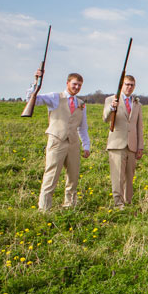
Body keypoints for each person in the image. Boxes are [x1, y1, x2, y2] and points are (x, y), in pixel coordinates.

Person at [27, 70, 90, 211]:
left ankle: (70, 206)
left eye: (79, 85)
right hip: (57, 141)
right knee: (51, 175)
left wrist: (86, 145)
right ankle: (44, 209)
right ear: (67, 83)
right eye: (74, 84)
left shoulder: (81, 104)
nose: (77, 87)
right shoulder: (55, 97)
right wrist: (35, 82)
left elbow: (83, 127)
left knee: (73, 176)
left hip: (73, 143)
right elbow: (33, 99)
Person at [102, 75, 144, 210]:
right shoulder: (111, 99)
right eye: (127, 84)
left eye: (132, 85)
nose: (129, 87)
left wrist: (140, 146)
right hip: (117, 143)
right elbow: (105, 118)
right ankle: (118, 203)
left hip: (132, 145)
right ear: (121, 85)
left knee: (129, 176)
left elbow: (139, 127)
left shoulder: (137, 103)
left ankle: (128, 201)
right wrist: (111, 108)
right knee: (117, 176)